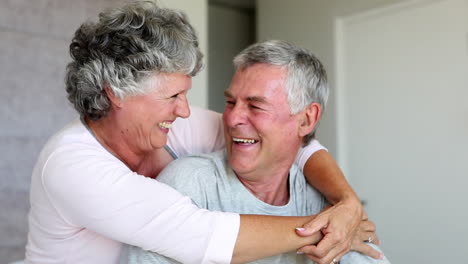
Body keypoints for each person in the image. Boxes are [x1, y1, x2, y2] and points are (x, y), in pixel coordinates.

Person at [26, 1, 362, 263]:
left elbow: (290, 143)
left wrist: (346, 203)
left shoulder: (173, 124)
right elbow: (205, 236)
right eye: (172, 96)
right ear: (116, 93)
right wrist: (328, 227)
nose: (185, 110)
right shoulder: (71, 167)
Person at [125, 40, 390, 264]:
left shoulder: (328, 202)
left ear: (307, 120)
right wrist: (321, 232)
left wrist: (346, 209)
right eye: (230, 102)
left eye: (256, 106)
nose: (231, 119)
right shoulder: (190, 184)